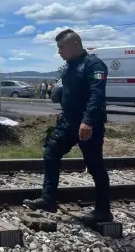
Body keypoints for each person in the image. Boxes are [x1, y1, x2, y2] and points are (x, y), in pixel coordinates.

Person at [23, 29, 112, 223]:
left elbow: (97, 96)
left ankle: (103, 211)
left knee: (95, 166)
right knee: (51, 152)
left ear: (75, 45)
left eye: (61, 47)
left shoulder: (94, 65)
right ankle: (48, 200)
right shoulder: (70, 67)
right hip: (69, 123)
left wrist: (88, 121)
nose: (59, 52)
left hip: (88, 125)